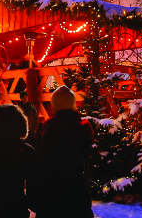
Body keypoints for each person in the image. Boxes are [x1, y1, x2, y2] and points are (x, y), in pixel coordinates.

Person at [32, 86, 94, 218]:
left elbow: (39, 164)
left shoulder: (46, 130)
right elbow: (89, 158)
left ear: (54, 105)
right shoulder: (83, 128)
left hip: (51, 193)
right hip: (77, 192)